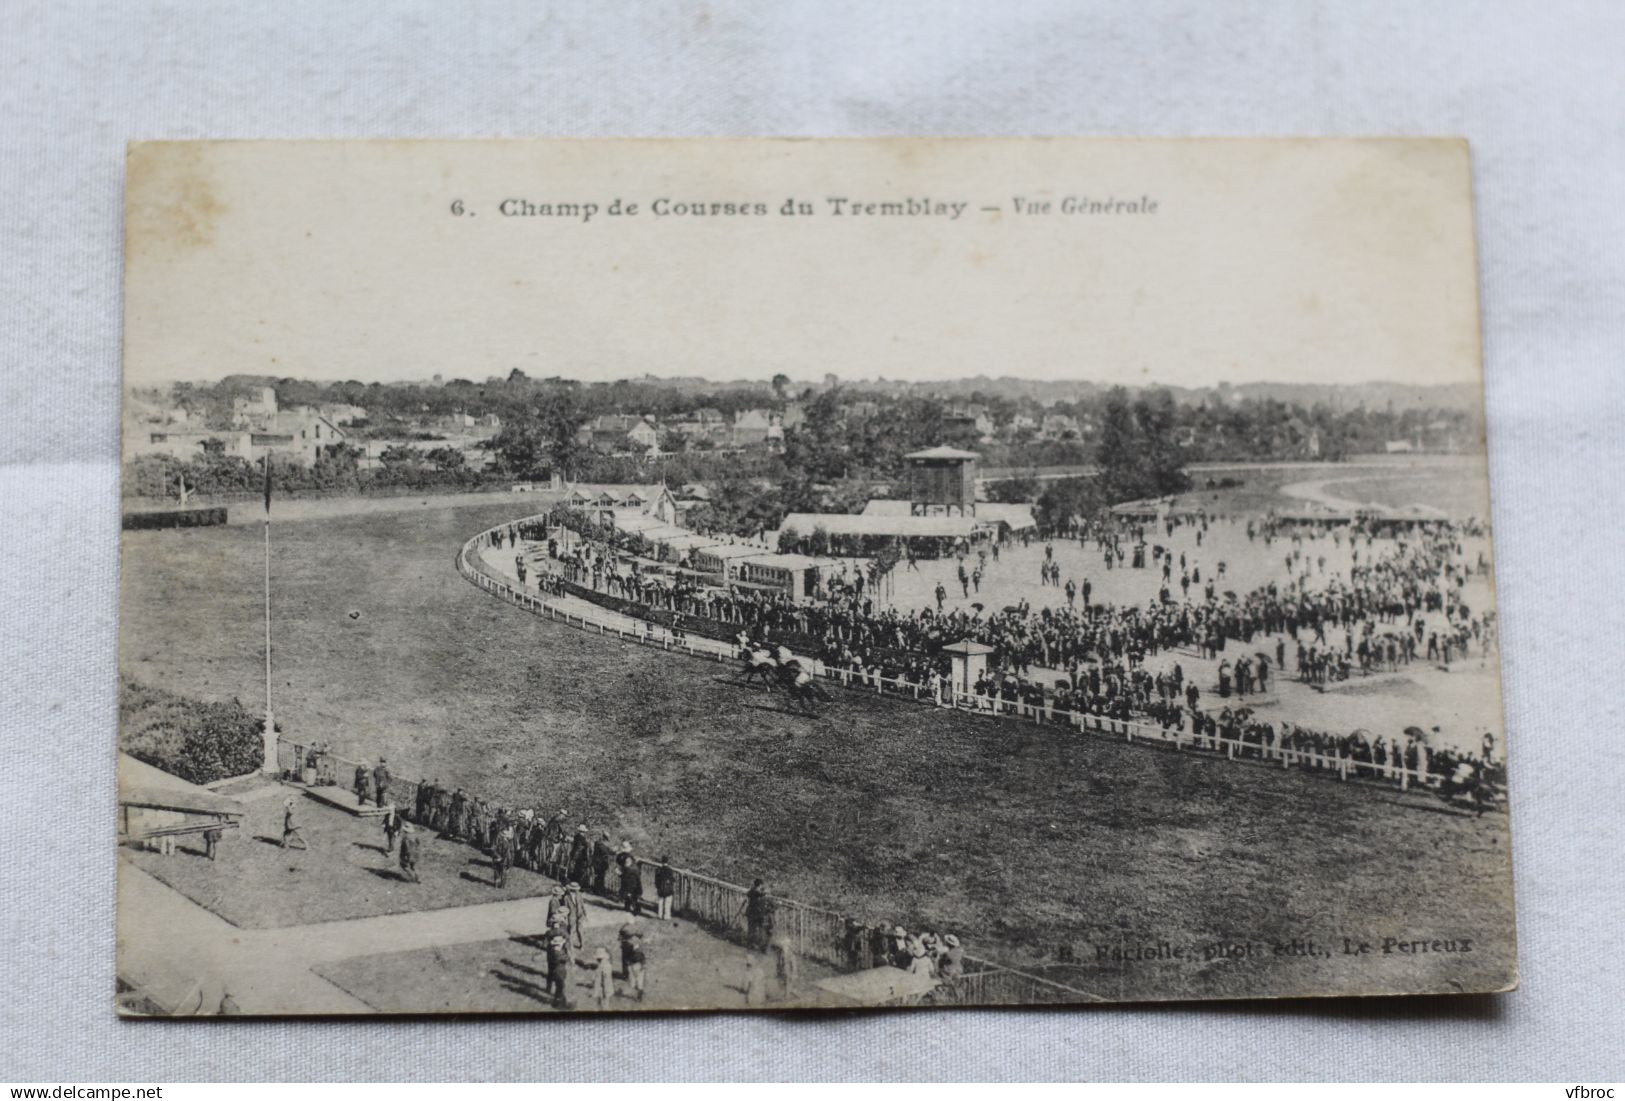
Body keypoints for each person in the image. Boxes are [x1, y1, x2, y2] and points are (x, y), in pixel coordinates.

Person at [744, 879, 774, 951]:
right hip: (757, 914)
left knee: (752, 930)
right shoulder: (756, 892)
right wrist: (767, 890)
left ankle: (752, 944)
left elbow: (752, 893)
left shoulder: (752, 891)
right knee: (758, 930)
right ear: (760, 885)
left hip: (753, 914)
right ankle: (757, 945)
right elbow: (761, 893)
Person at [621, 932, 647, 1001]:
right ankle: (639, 991)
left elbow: (642, 958)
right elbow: (643, 958)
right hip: (636, 965)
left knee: (635, 980)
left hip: (635, 965)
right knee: (637, 980)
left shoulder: (631, 947)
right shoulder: (638, 949)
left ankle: (639, 992)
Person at [654, 856, 676, 921]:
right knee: (667, 903)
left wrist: (658, 887)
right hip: (668, 889)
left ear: (661, 862)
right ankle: (667, 916)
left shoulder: (658, 870)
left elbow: (656, 880)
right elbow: (672, 880)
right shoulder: (670, 870)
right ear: (667, 862)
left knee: (660, 902)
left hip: (660, 888)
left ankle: (660, 915)